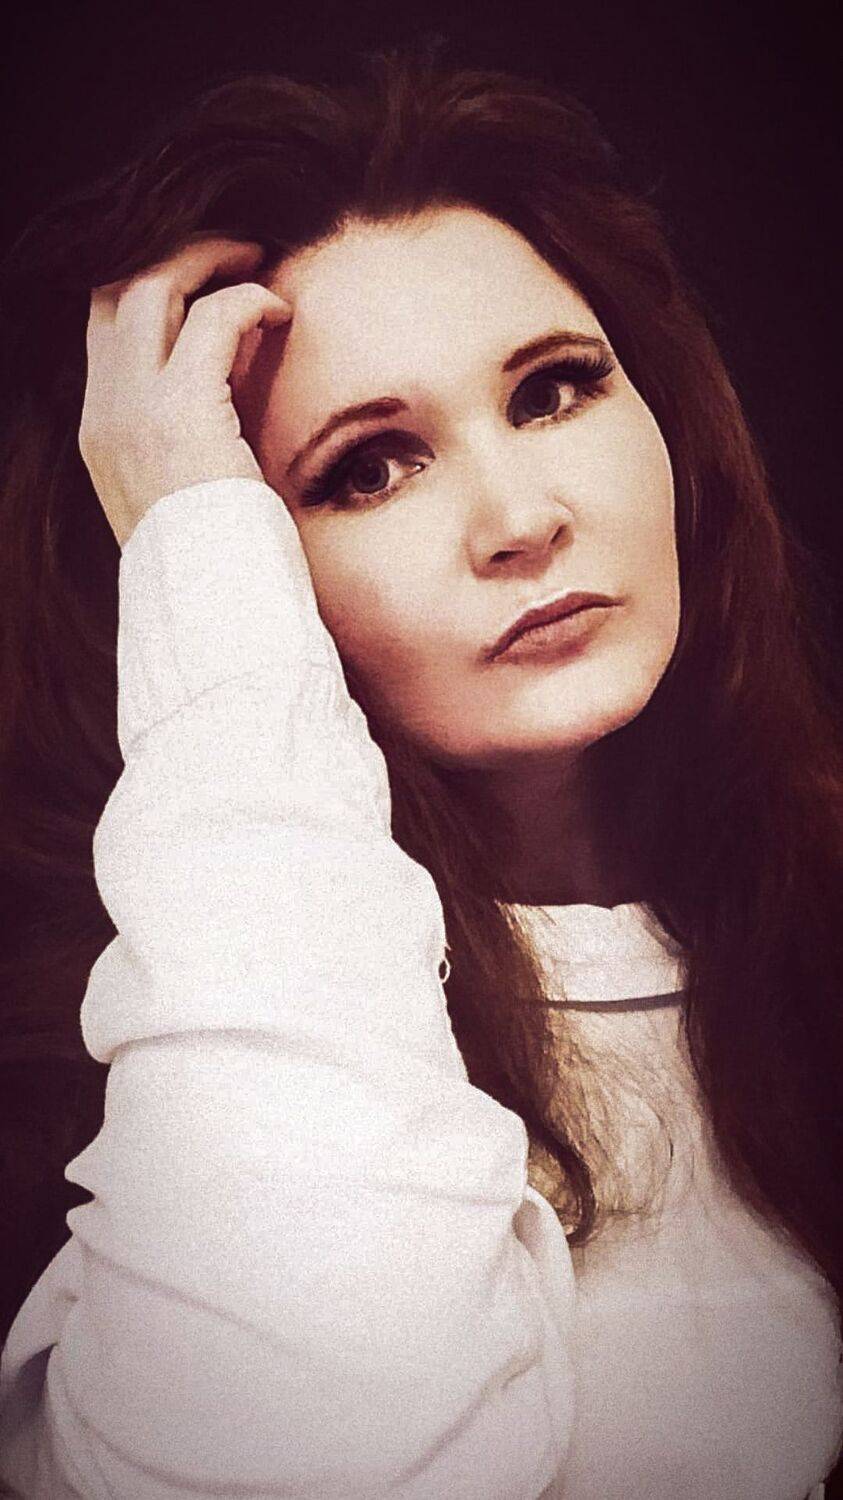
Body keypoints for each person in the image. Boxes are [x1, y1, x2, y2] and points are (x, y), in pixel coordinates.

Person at [0, 41, 840, 1500]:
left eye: (556, 391)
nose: (521, 519)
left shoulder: (808, 924)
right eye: (368, 469)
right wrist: (194, 544)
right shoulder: (165, 1051)